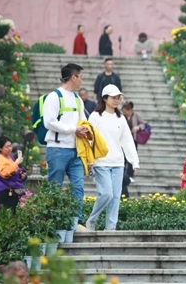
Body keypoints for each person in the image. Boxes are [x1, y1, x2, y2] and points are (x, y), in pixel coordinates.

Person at [86, 85, 139, 231]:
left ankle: (111, 228)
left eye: (118, 97)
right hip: (101, 161)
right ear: (105, 98)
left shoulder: (120, 118)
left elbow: (127, 140)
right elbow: (89, 139)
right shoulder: (95, 117)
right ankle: (93, 219)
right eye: (113, 97)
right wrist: (89, 159)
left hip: (118, 162)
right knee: (106, 193)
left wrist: (134, 160)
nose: (117, 100)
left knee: (116, 197)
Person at [43, 63, 87, 229]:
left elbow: (83, 121)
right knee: (55, 186)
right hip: (57, 149)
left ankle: (77, 221)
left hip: (76, 151)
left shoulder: (77, 99)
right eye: (81, 77)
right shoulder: (54, 97)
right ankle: (51, 222)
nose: (81, 81)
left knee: (78, 187)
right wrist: (73, 129)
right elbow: (49, 122)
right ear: (73, 77)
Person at [0, 136, 26, 214]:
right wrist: (16, 163)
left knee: (12, 215)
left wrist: (22, 175)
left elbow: (15, 172)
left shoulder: (10, 157)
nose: (10, 148)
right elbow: (5, 173)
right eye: (7, 147)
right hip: (3, 190)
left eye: (10, 146)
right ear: (0, 148)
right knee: (6, 216)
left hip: (12, 190)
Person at [121, 101, 144, 197]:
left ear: (129, 110)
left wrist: (137, 127)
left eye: (125, 110)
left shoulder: (136, 116)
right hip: (123, 140)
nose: (124, 112)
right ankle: (123, 174)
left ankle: (130, 174)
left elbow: (143, 124)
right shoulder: (121, 117)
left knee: (131, 156)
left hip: (133, 140)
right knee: (123, 157)